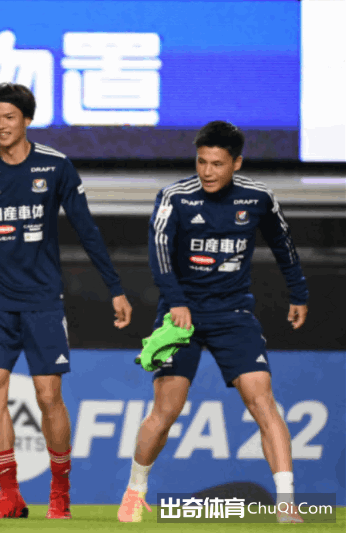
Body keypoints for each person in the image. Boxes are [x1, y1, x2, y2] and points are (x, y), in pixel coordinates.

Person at [0, 83, 133, 520]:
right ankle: (9, 495)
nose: (0, 125)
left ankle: (60, 491)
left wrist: (115, 287)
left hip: (43, 302)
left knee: (48, 396)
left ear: (27, 119)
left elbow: (86, 228)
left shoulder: (56, 166)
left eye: (9, 117)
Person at [117, 121, 308, 524]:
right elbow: (158, 254)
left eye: (217, 164)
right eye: (201, 161)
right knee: (166, 410)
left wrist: (299, 293)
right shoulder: (175, 197)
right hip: (180, 315)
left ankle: (287, 502)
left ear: (236, 163)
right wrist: (177, 303)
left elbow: (284, 245)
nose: (207, 171)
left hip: (233, 314)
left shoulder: (258, 198)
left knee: (263, 402)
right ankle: (134, 491)